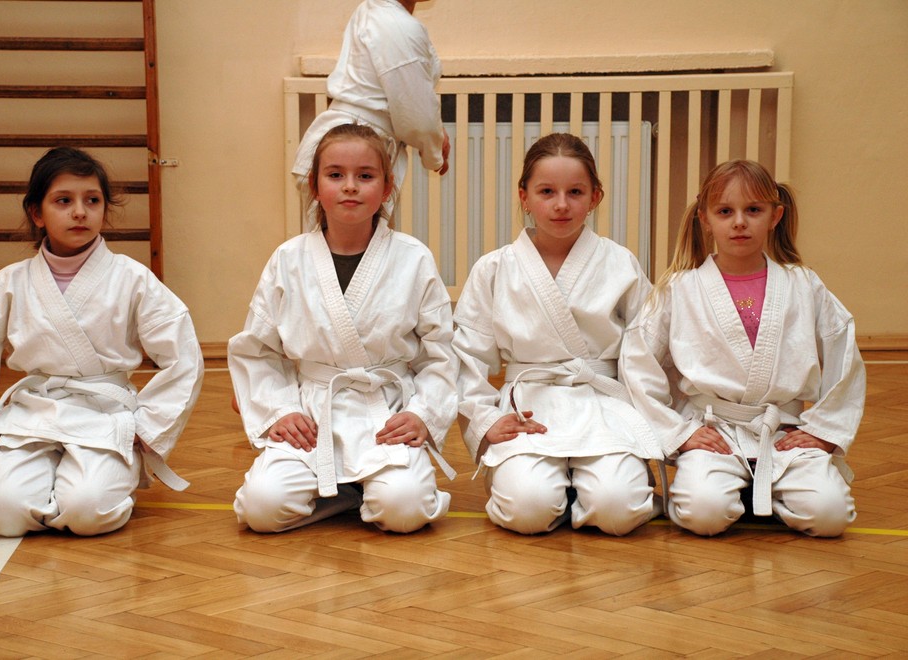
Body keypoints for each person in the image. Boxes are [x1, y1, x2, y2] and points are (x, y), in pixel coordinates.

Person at [0, 146, 204, 537]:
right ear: (36, 213)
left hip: (106, 414)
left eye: (92, 200)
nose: (80, 212)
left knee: (88, 512)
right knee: (4, 514)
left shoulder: (132, 278)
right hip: (33, 414)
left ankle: (90, 482)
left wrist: (149, 427)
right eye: (64, 201)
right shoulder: (11, 282)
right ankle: (50, 483)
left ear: (104, 209)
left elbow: (183, 356)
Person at [230, 123, 457, 533]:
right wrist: (280, 410)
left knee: (404, 509)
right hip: (313, 414)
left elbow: (440, 352)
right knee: (261, 508)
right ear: (315, 187)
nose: (350, 186)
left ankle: (364, 488)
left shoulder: (413, 258)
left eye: (365, 176)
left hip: (386, 412)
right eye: (335, 175)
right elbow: (257, 350)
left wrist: (422, 413)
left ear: (386, 188)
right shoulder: (288, 259)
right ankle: (348, 496)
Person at [620, 159, 865, 537]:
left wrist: (823, 430)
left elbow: (843, 353)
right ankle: (739, 490)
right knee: (704, 514)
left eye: (753, 210)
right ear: (704, 218)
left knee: (830, 515)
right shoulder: (680, 288)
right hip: (712, 431)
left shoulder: (803, 284)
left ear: (775, 216)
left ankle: (760, 489)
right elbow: (638, 363)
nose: (739, 222)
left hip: (781, 431)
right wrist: (680, 433)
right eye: (725, 212)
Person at [452, 132, 663, 536]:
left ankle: (590, 492)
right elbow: (468, 355)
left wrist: (651, 417)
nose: (561, 204)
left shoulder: (620, 263)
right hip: (528, 408)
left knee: (618, 510)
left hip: (600, 401)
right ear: (524, 196)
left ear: (595, 197)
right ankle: (557, 492)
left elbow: (648, 349)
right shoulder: (494, 268)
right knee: (526, 510)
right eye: (547, 191)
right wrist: (486, 419)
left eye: (575, 192)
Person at [291, 0, 450, 218]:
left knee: (356, 239)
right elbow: (417, 115)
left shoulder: (374, 10)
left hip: (343, 145)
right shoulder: (396, 23)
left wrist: (434, 137)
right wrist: (434, 149)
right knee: (353, 239)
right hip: (351, 149)